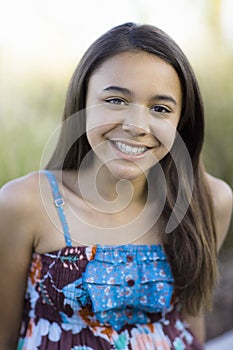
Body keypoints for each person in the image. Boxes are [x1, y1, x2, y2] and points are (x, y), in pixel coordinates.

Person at [0, 22, 232, 350]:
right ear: (83, 103)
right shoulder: (24, 204)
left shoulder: (208, 201)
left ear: (182, 121)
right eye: (116, 100)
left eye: (160, 109)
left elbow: (190, 327)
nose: (136, 126)